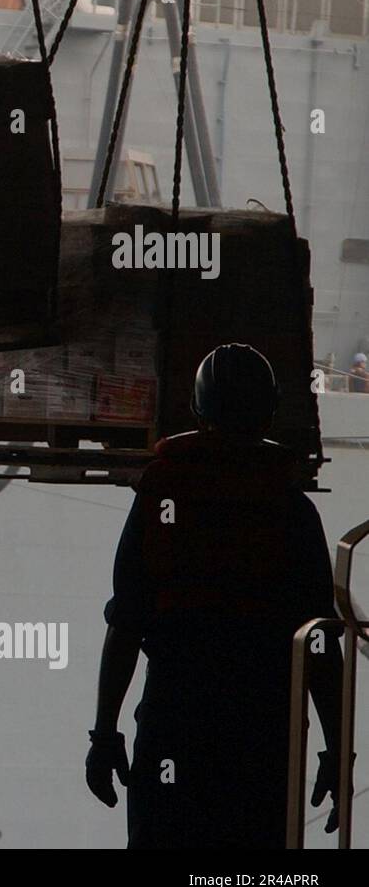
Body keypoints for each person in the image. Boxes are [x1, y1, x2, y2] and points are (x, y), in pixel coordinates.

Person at [86, 343, 347, 848]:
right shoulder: (290, 509)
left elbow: (126, 624)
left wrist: (104, 736)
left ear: (197, 410)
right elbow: (320, 645)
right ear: (270, 412)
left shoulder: (161, 495)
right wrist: (338, 752)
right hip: (263, 733)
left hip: (174, 718)